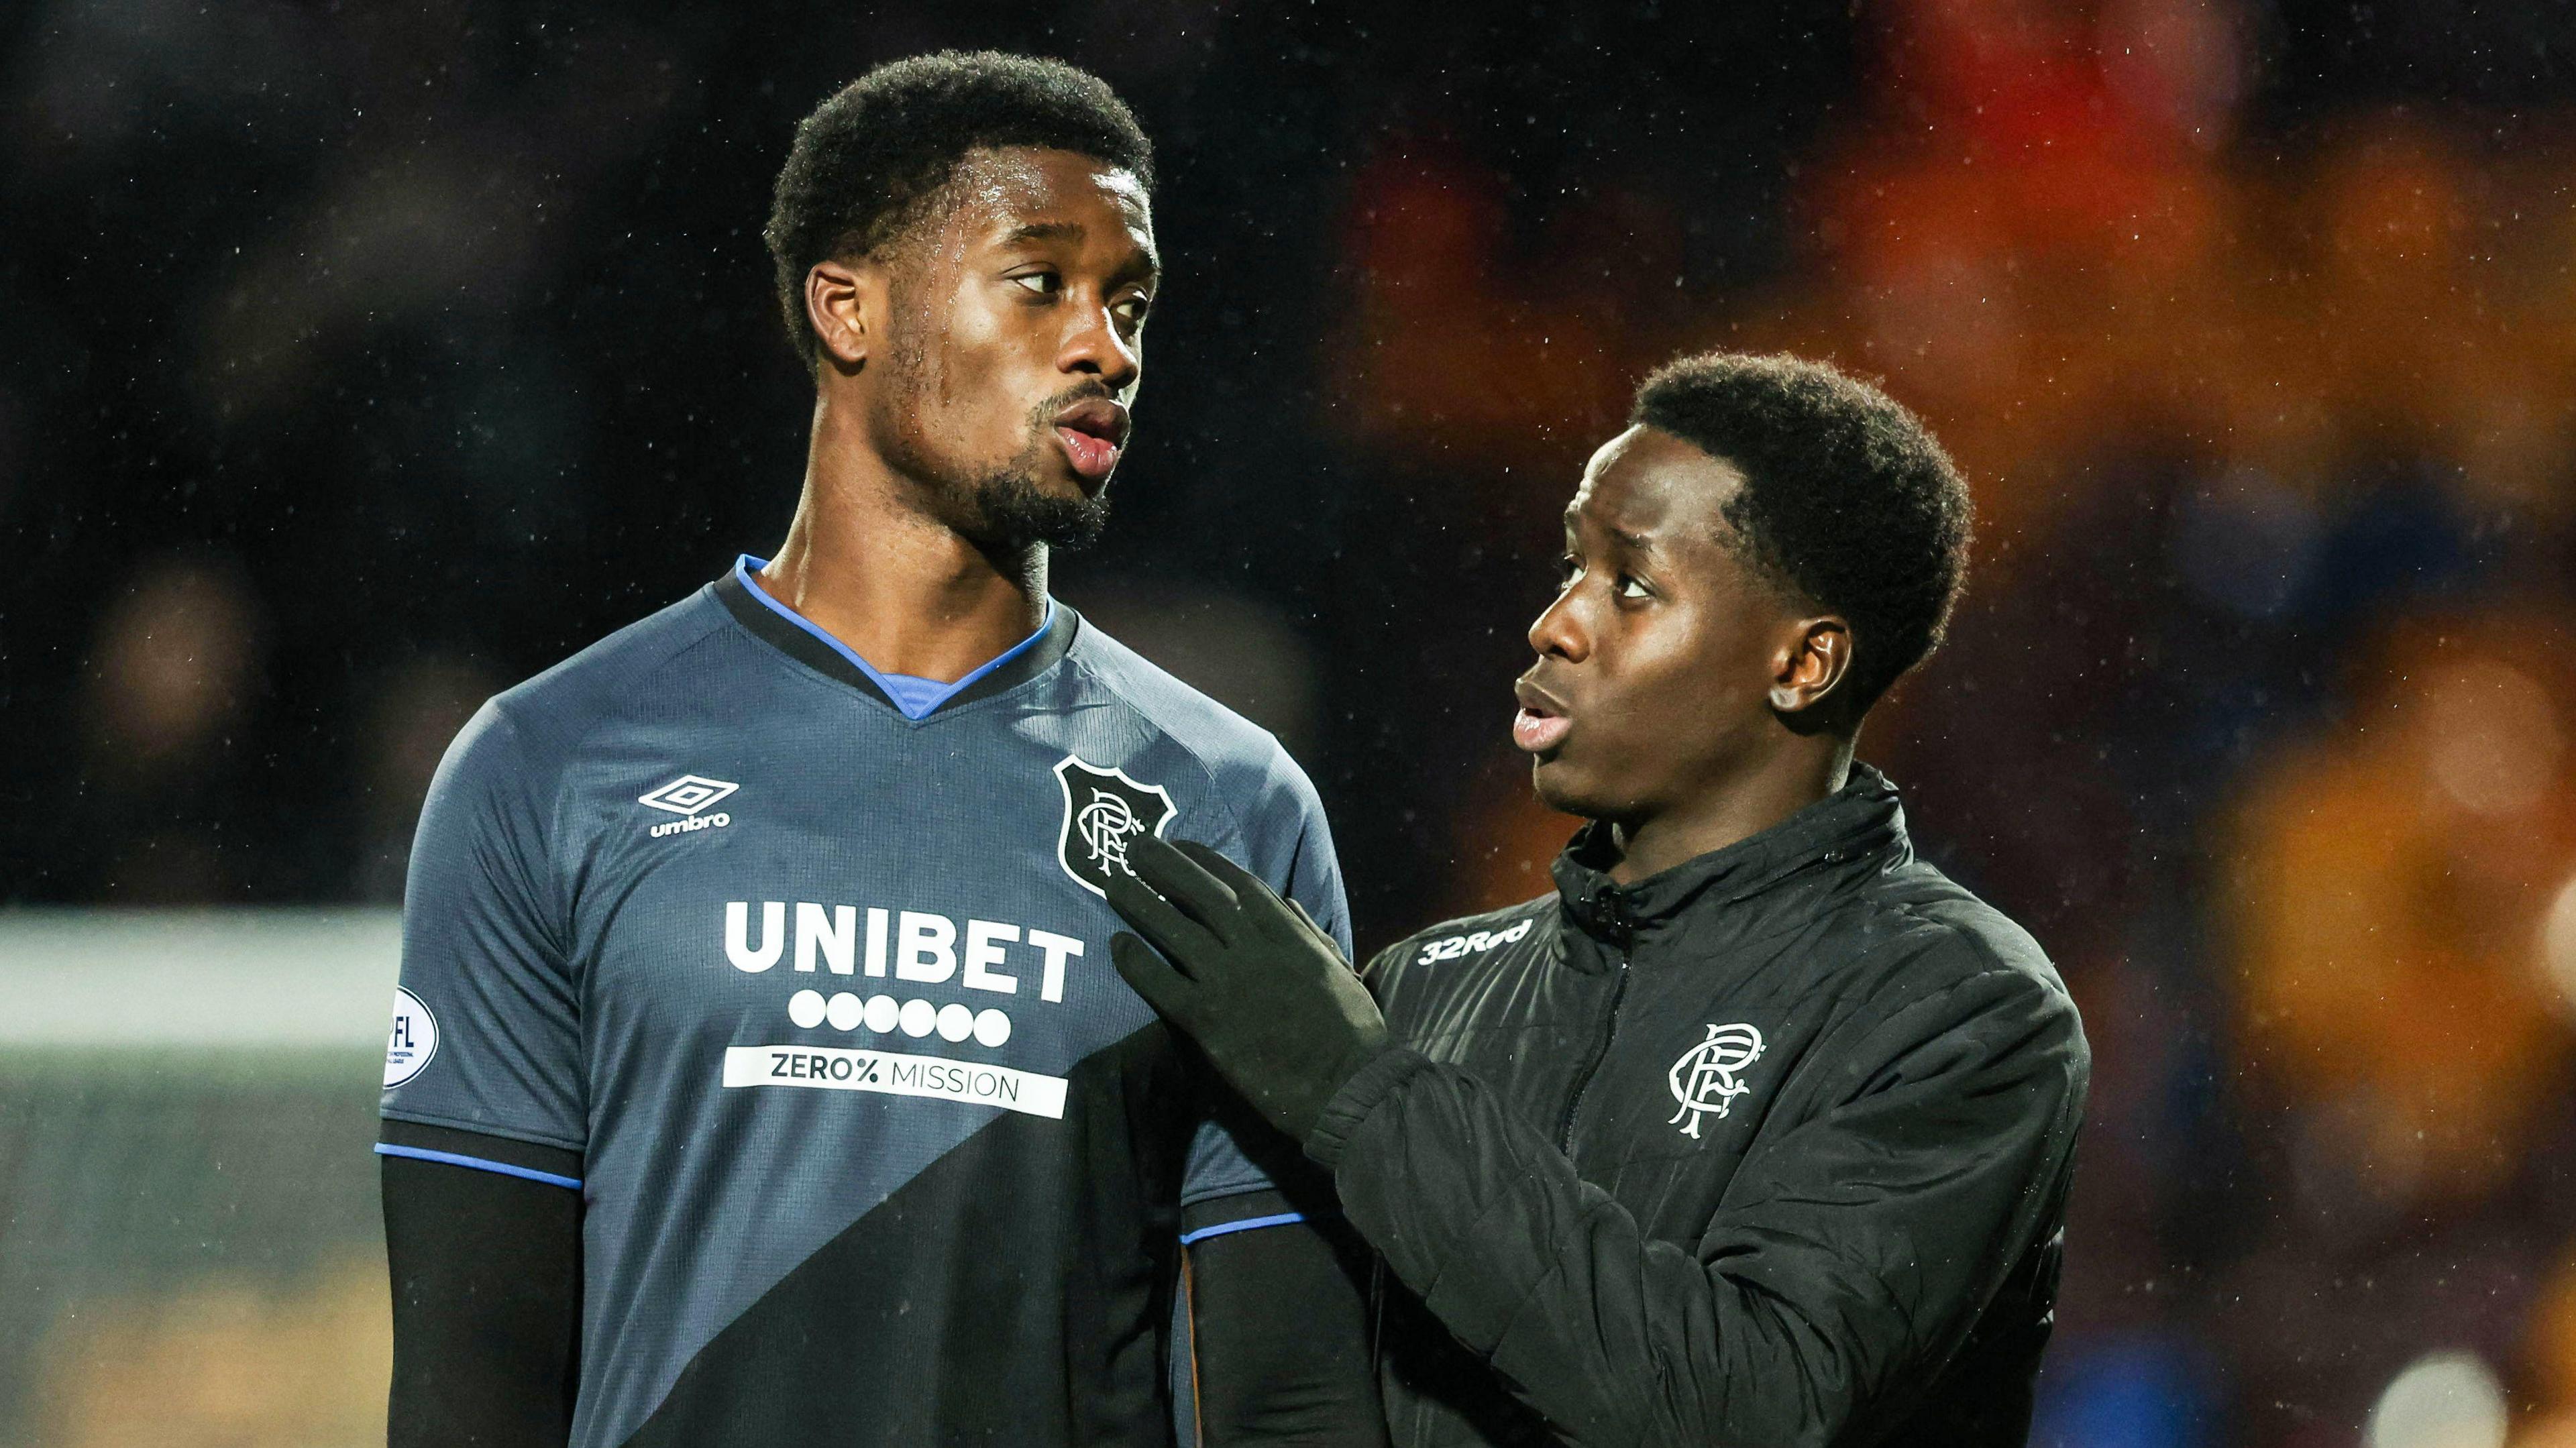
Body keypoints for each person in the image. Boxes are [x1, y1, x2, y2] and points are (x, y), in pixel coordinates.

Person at [376, 52, 1380, 1448]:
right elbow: (472, 1376)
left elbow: (1295, 1396)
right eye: (1042, 283)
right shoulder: (550, 764)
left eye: (1130, 301)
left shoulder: (1230, 802)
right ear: (846, 308)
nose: (1108, 347)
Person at [1104, 351, 2092, 1447]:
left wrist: (1362, 1092)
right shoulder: (1426, 986)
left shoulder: (1962, 1007)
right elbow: (1293, 1406)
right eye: (1570, 567)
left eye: (1631, 585)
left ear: (1804, 663)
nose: (1556, 624)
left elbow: (1741, 1410)